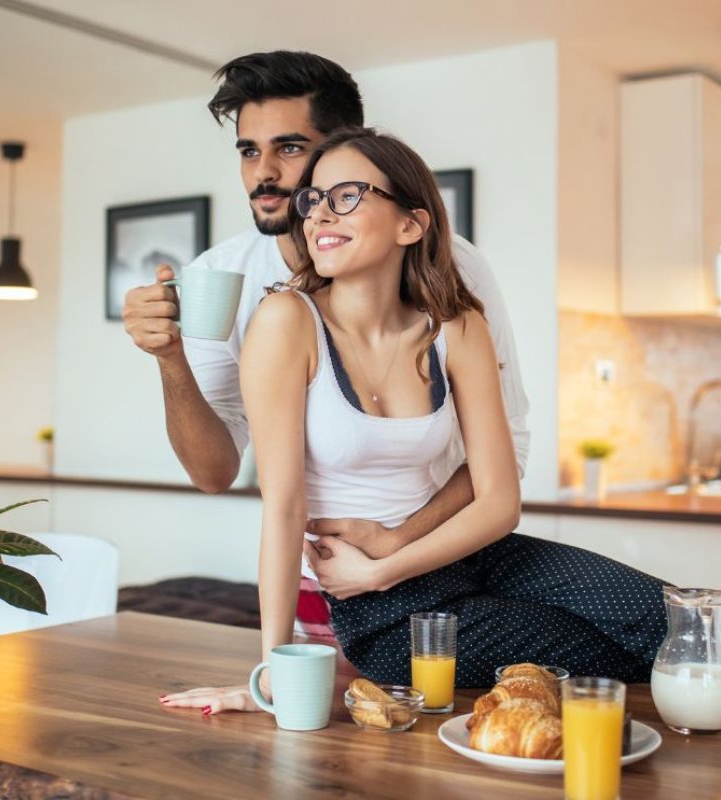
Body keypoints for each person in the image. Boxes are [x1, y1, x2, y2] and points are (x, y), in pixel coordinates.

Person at [160, 129, 667, 715]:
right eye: (313, 199)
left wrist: (388, 559)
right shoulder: (286, 323)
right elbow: (282, 509)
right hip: (387, 619)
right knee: (623, 656)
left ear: (410, 224)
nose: (319, 212)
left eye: (345, 195)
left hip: (462, 552)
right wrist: (274, 670)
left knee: (668, 620)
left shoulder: (459, 328)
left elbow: (499, 499)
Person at [123, 52, 530, 566]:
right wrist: (170, 358)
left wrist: (396, 543)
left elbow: (506, 445)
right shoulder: (222, 275)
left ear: (342, 152)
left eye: (289, 148)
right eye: (248, 151)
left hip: (446, 551)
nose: (263, 173)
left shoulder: (456, 266)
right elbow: (213, 473)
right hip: (323, 569)